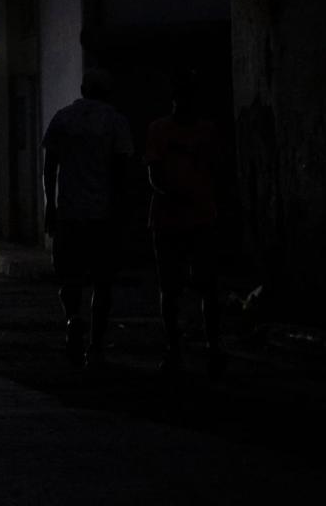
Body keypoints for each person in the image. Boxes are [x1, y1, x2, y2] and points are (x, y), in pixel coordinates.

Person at [42, 69, 133, 369]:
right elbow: (122, 170)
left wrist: (49, 205)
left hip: (69, 211)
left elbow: (49, 166)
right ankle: (95, 343)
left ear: (82, 89)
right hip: (103, 215)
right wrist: (122, 211)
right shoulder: (116, 122)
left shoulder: (63, 118)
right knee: (103, 282)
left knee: (69, 276)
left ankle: (73, 318)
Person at [146, 69, 225, 377]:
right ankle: (186, 345)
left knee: (199, 286)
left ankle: (205, 344)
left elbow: (216, 169)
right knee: (176, 287)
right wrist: (178, 194)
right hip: (177, 217)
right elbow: (154, 174)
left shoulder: (196, 131)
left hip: (191, 216)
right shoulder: (166, 130)